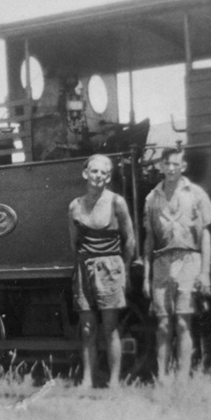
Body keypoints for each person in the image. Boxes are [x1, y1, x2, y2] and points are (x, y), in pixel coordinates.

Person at [142, 147, 211, 381]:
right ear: (161, 167)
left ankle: (183, 377)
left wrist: (204, 273)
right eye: (167, 164)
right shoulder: (152, 198)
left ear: (182, 166)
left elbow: (205, 235)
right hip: (162, 262)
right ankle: (163, 377)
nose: (171, 168)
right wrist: (146, 277)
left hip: (188, 261)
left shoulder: (196, 194)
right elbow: (149, 240)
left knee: (184, 324)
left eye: (176, 164)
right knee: (163, 325)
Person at [68, 154, 136, 388]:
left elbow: (130, 240)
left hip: (110, 268)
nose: (98, 176)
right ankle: (87, 379)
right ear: (86, 174)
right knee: (87, 329)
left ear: (108, 177)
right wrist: (80, 268)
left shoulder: (117, 202)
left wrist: (124, 270)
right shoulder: (75, 206)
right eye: (94, 171)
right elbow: (73, 242)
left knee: (110, 328)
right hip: (84, 267)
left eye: (103, 172)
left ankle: (114, 381)